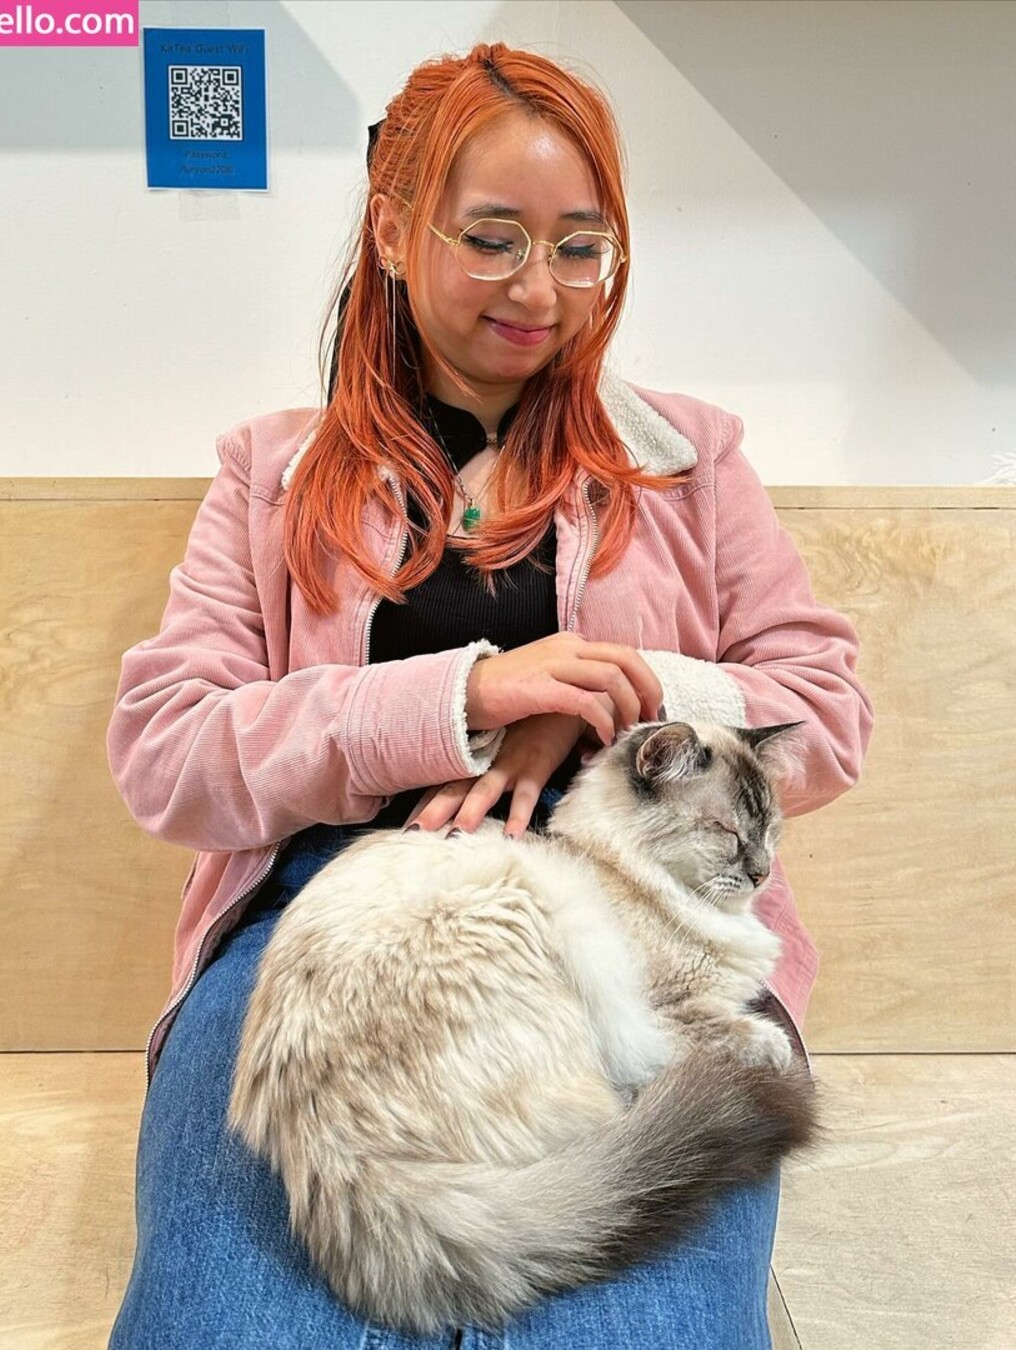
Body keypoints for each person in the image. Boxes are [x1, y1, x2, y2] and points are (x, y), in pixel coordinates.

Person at [105, 42, 872, 1350]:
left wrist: (618, 699)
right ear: (393, 230)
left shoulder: (690, 458)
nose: (540, 289)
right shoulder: (271, 475)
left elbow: (826, 711)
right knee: (240, 1321)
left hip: (650, 919)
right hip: (328, 934)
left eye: (581, 247)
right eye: (494, 238)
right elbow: (166, 751)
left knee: (629, 1324)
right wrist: (462, 693)